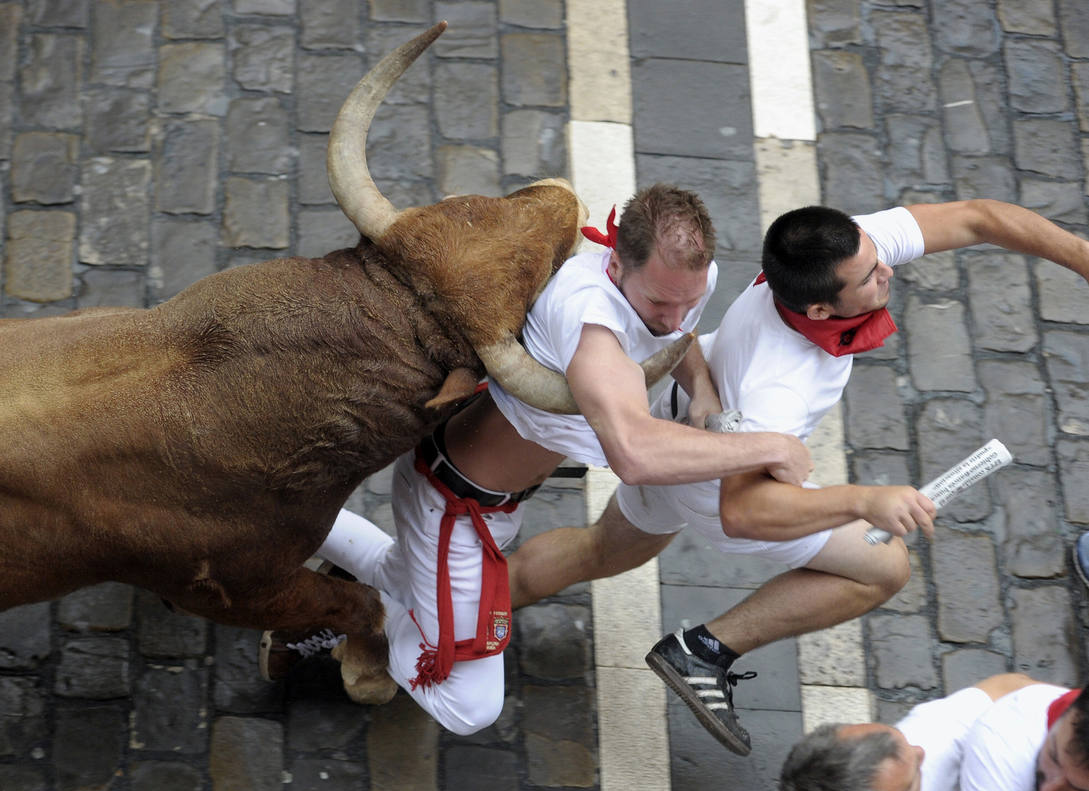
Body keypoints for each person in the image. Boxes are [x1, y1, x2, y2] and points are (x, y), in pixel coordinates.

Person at [505, 199, 1089, 755]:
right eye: (868, 278)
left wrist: (1083, 258)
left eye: (875, 257)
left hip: (682, 422)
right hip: (717, 482)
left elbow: (977, 218)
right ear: (819, 312)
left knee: (603, 549)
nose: (886, 269)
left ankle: (467, 606)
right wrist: (864, 500)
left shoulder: (833, 254)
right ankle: (703, 651)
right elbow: (744, 512)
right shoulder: (780, 386)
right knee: (883, 568)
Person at [258, 184, 812, 735]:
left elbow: (678, 335)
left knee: (403, 574)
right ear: (615, 263)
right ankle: (366, 620)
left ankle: (280, 520)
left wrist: (706, 395)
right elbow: (636, 455)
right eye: (659, 303)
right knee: (469, 708)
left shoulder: (680, 281)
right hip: (452, 511)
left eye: (687, 300)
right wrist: (772, 446)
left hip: (485, 501)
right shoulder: (589, 326)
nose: (674, 317)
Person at [779, 672, 1089, 791]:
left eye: (902, 740)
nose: (920, 752)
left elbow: (1009, 687)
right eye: (912, 781)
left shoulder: (929, 732)